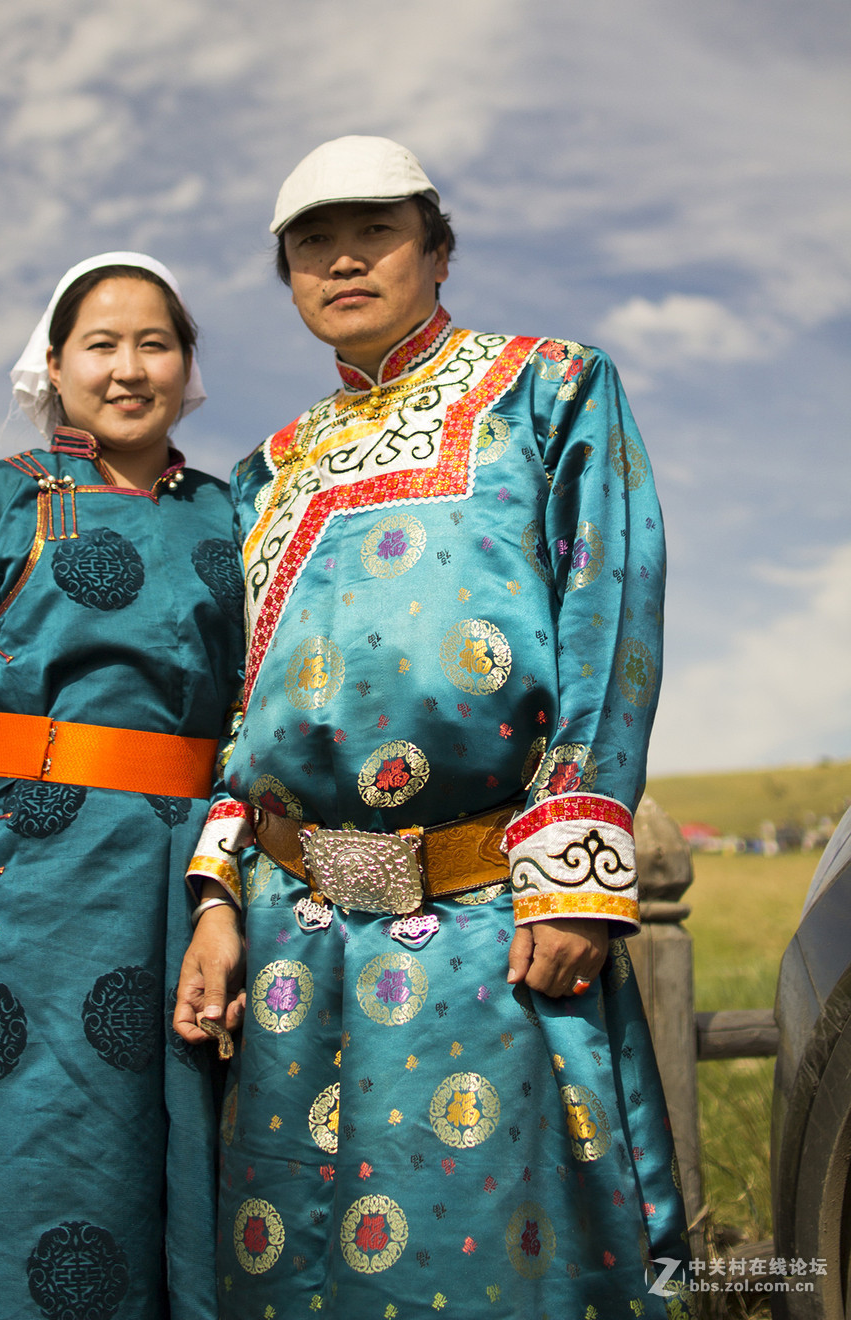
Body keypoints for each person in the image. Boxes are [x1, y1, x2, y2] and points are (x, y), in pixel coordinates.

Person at [175, 139, 692, 1318]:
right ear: (289, 277)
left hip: (481, 920)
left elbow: (612, 613)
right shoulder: (269, 471)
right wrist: (215, 899)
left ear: (439, 248)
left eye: (377, 231)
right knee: (288, 1267)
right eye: (312, 243)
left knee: (490, 1265)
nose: (343, 259)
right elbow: (235, 714)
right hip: (292, 936)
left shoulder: (549, 386)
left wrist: (572, 878)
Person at [0, 252, 244, 1320]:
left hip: (183, 883)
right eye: (102, 345)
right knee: (9, 1160)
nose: (129, 370)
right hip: (16, 882)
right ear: (57, 365)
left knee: (170, 1153)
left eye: (155, 343)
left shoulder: (235, 516)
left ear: (187, 366)